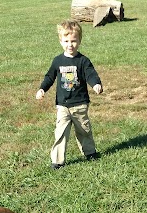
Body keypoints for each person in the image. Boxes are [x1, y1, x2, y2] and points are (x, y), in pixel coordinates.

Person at [36, 19, 103, 170]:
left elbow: (90, 74)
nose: (70, 44)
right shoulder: (57, 61)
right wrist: (42, 89)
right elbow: (49, 77)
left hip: (80, 104)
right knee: (60, 133)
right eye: (66, 41)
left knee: (84, 130)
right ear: (61, 41)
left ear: (79, 41)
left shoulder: (83, 61)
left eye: (73, 41)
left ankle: (90, 153)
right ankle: (57, 161)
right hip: (63, 106)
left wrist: (96, 84)